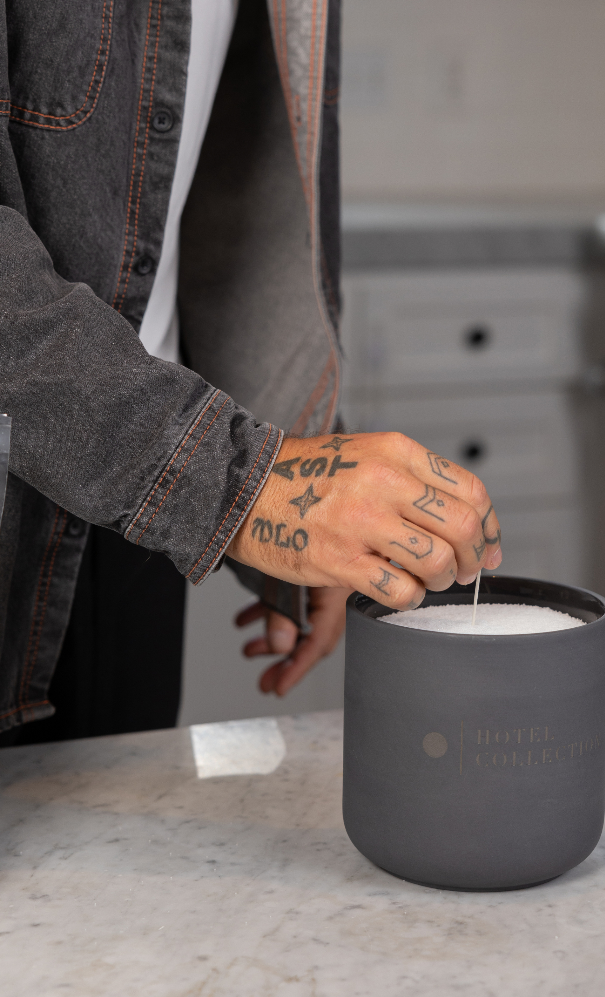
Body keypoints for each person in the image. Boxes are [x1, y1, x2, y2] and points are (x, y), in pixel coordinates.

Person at [0, 0, 502, 746]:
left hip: (129, 510)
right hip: (42, 482)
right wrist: (243, 482)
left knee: (110, 851)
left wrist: (302, 455)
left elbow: (240, 183)